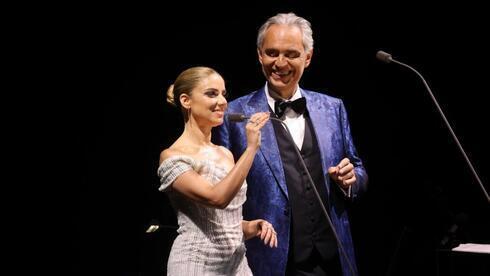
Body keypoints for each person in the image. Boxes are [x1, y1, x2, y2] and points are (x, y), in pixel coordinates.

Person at [212, 13, 368, 276]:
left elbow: (358, 169)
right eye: (271, 53)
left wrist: (351, 180)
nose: (280, 63)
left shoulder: (332, 108)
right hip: (268, 259)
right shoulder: (233, 115)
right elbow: (221, 193)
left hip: (331, 258)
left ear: (307, 58)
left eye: (291, 54)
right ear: (260, 54)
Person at [158, 66, 277, 275]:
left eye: (223, 94)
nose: (222, 101)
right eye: (212, 94)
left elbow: (223, 224)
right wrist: (251, 149)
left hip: (237, 265)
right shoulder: (172, 156)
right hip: (195, 264)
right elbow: (217, 198)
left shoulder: (225, 154)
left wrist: (253, 226)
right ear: (186, 101)